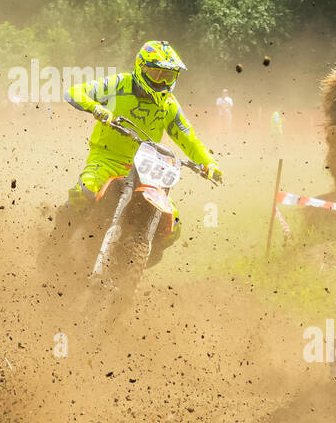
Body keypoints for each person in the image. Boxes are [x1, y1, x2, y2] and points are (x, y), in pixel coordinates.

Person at [56, 40, 223, 266]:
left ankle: (132, 261)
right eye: (156, 74)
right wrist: (97, 108)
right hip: (108, 159)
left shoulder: (169, 105)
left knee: (173, 225)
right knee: (84, 191)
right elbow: (75, 92)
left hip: (147, 168)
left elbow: (188, 137)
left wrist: (209, 164)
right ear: (141, 68)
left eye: (169, 76)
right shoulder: (119, 84)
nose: (162, 82)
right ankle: (56, 241)